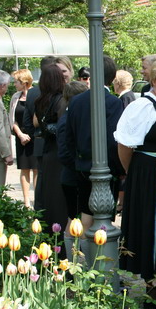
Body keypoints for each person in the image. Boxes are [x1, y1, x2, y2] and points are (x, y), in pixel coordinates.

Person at [114, 58, 156, 308]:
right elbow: (124, 145)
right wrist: (135, 172)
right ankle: (152, 287)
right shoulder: (142, 106)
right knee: (151, 227)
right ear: (153, 80)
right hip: (149, 175)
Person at [59, 56, 124, 241]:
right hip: (107, 169)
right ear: (112, 78)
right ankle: (95, 256)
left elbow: (69, 137)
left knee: (85, 216)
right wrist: (119, 170)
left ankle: (78, 255)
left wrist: (78, 160)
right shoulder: (113, 102)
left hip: (82, 167)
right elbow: (114, 140)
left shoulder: (76, 101)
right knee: (102, 220)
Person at [33, 64, 69, 238]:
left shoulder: (40, 101)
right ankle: (59, 238)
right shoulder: (61, 100)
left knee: (47, 196)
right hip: (59, 153)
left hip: (47, 151)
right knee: (59, 200)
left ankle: (48, 235)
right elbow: (63, 129)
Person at [55, 79, 89, 258]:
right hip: (73, 178)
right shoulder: (66, 119)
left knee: (77, 219)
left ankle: (75, 260)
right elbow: (64, 154)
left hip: (75, 176)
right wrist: (81, 168)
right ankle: (72, 261)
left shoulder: (71, 116)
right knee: (74, 219)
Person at [8, 69, 39, 207]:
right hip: (21, 137)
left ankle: (37, 200)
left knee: (36, 169)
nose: (14, 84)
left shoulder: (37, 94)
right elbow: (12, 119)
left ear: (24, 82)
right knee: (24, 168)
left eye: (16, 81)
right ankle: (26, 201)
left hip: (35, 136)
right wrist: (20, 134)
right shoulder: (15, 97)